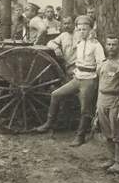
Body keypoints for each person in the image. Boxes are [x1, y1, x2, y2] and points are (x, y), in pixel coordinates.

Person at [35, 16, 105, 145]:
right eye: (79, 29)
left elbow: (101, 64)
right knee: (55, 94)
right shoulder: (79, 42)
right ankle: (49, 123)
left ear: (90, 29)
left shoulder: (96, 45)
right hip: (76, 78)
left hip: (88, 81)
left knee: (85, 109)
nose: (81, 32)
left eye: (84, 29)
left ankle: (80, 136)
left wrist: (95, 79)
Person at [96, 35, 119, 174]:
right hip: (103, 101)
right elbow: (100, 85)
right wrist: (98, 106)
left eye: (114, 45)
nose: (111, 47)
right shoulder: (104, 63)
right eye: (109, 44)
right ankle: (111, 158)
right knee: (107, 133)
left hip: (115, 102)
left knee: (118, 134)